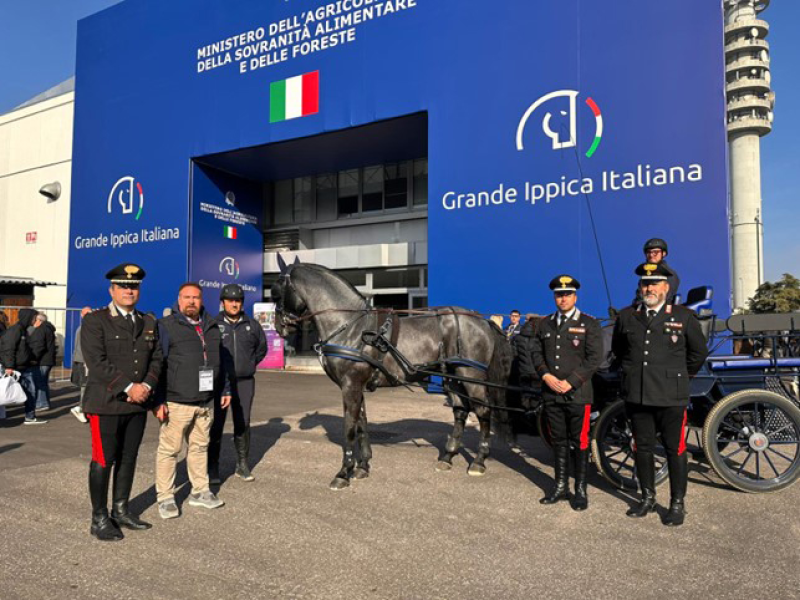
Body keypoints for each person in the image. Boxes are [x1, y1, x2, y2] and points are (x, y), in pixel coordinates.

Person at [612, 262, 707, 526]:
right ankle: (647, 498)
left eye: (654, 283)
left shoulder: (683, 316)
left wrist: (678, 377)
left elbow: (698, 353)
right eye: (645, 283)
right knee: (641, 448)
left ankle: (677, 503)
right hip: (638, 394)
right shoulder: (627, 316)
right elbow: (620, 350)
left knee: (674, 450)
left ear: (666, 287)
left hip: (669, 396)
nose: (649, 287)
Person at [81, 264, 163, 541]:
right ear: (112, 290)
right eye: (124, 286)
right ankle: (99, 518)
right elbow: (97, 361)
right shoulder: (95, 321)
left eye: (135, 286)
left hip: (136, 405)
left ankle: (121, 510)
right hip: (106, 404)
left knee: (129, 459)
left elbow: (157, 359)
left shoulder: (148, 322)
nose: (130, 290)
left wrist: (146, 386)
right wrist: (129, 387)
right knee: (103, 461)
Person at [154, 282, 231, 519]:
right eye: (186, 297)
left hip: (206, 401)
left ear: (202, 300)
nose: (191, 302)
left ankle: (200, 491)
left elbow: (221, 361)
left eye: (195, 298)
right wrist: (158, 400)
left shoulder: (213, 326)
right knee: (170, 450)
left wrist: (225, 388)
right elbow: (157, 364)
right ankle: (165, 497)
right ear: (179, 300)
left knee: (199, 447)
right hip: (177, 402)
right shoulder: (166, 326)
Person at [531, 275, 603, 511]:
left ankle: (580, 489)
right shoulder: (545, 324)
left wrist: (571, 382)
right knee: (558, 441)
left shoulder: (588, 324)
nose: (563, 298)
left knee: (580, 442)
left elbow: (594, 359)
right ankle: (560, 486)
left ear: (575, 296)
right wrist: (546, 376)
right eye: (559, 295)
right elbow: (536, 353)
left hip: (578, 394)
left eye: (567, 294)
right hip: (551, 393)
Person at [209, 284, 267, 484]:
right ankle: (213, 467)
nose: (234, 304)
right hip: (218, 384)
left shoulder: (252, 325)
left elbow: (261, 349)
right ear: (222, 302)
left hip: (244, 382)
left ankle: (242, 464)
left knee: (243, 423)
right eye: (230, 300)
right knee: (216, 424)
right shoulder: (213, 324)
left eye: (238, 300)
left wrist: (249, 364)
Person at [0, 309, 46, 425]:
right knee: (5, 392)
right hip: (15, 368)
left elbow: (23, 349)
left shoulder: (23, 331)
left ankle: (30, 417)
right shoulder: (15, 331)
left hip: (24, 367)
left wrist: (30, 358)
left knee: (31, 392)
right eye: (34, 317)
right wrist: (9, 366)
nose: (35, 320)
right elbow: (8, 349)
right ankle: (29, 416)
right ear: (28, 317)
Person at [633, 238, 680, 305]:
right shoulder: (645, 274)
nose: (651, 255)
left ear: (663, 253)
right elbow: (638, 299)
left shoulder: (669, 274)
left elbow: (661, 300)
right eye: (648, 252)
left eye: (655, 252)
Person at [28, 313, 57, 411]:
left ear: (39, 320)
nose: (33, 322)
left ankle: (41, 403)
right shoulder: (48, 328)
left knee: (40, 383)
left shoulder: (41, 329)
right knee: (43, 382)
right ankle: (44, 402)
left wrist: (33, 358)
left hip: (42, 360)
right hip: (47, 360)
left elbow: (38, 346)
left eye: (34, 320)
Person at [70, 307, 93, 423]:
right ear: (82, 315)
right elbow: (85, 348)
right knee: (86, 385)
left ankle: (84, 409)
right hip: (85, 362)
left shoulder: (85, 328)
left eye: (91, 313)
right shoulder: (85, 328)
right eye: (87, 314)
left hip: (84, 361)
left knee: (88, 386)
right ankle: (81, 409)